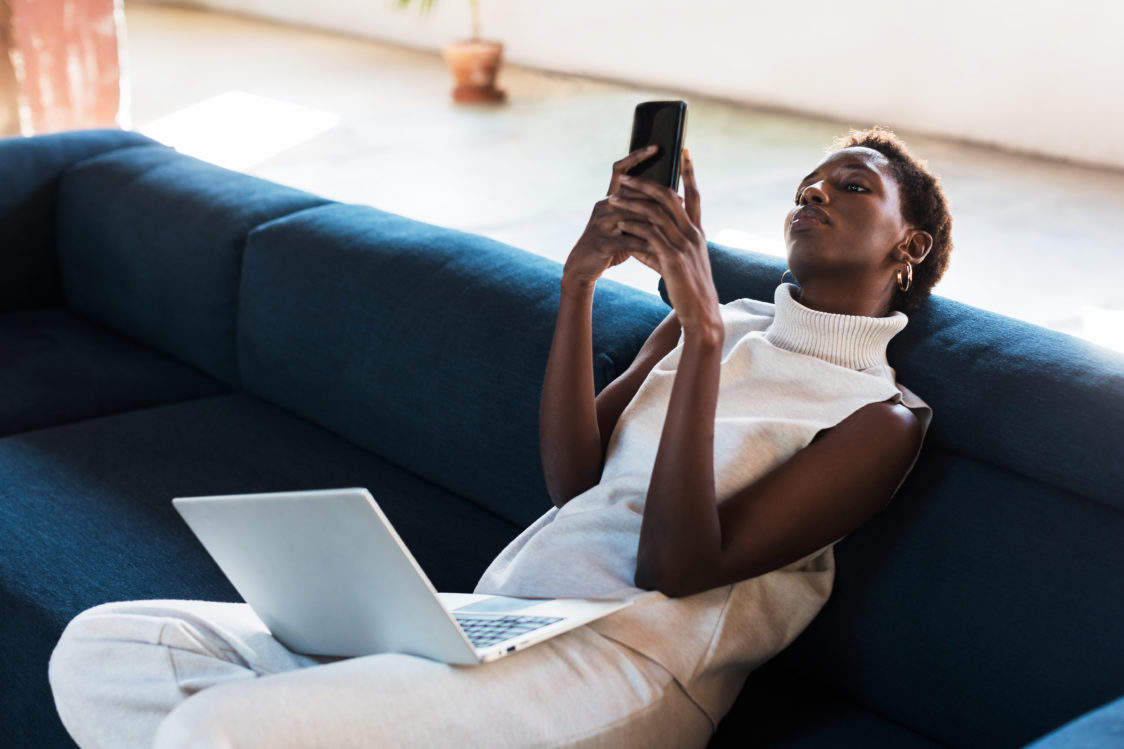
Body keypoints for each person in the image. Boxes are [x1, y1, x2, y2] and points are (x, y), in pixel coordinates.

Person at [48, 125, 952, 748]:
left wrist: (706, 332)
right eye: (808, 182)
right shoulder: (721, 320)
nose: (814, 193)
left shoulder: (879, 415)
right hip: (496, 624)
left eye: (851, 185)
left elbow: (675, 564)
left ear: (906, 244)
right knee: (109, 648)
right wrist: (579, 286)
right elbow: (572, 478)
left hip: (626, 669)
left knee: (217, 729)